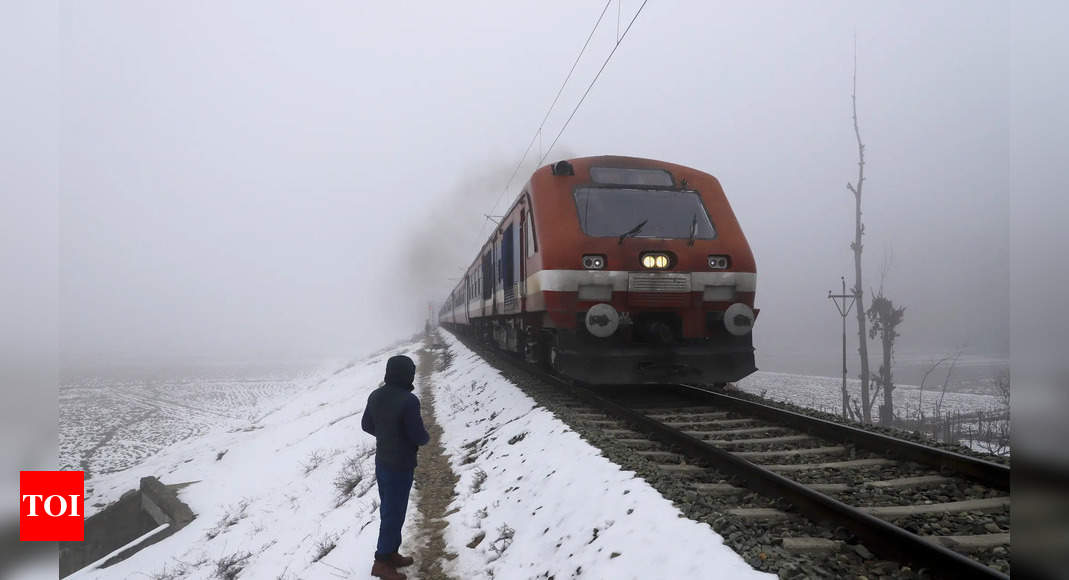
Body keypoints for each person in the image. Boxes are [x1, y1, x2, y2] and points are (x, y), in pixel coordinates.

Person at [361, 355, 430, 580]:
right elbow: (418, 436)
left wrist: (386, 435)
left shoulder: (376, 395)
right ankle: (381, 563)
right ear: (406, 374)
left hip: (382, 462)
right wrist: (423, 438)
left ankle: (390, 553)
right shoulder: (408, 400)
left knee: (390, 510)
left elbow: (366, 425)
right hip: (400, 465)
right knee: (393, 512)